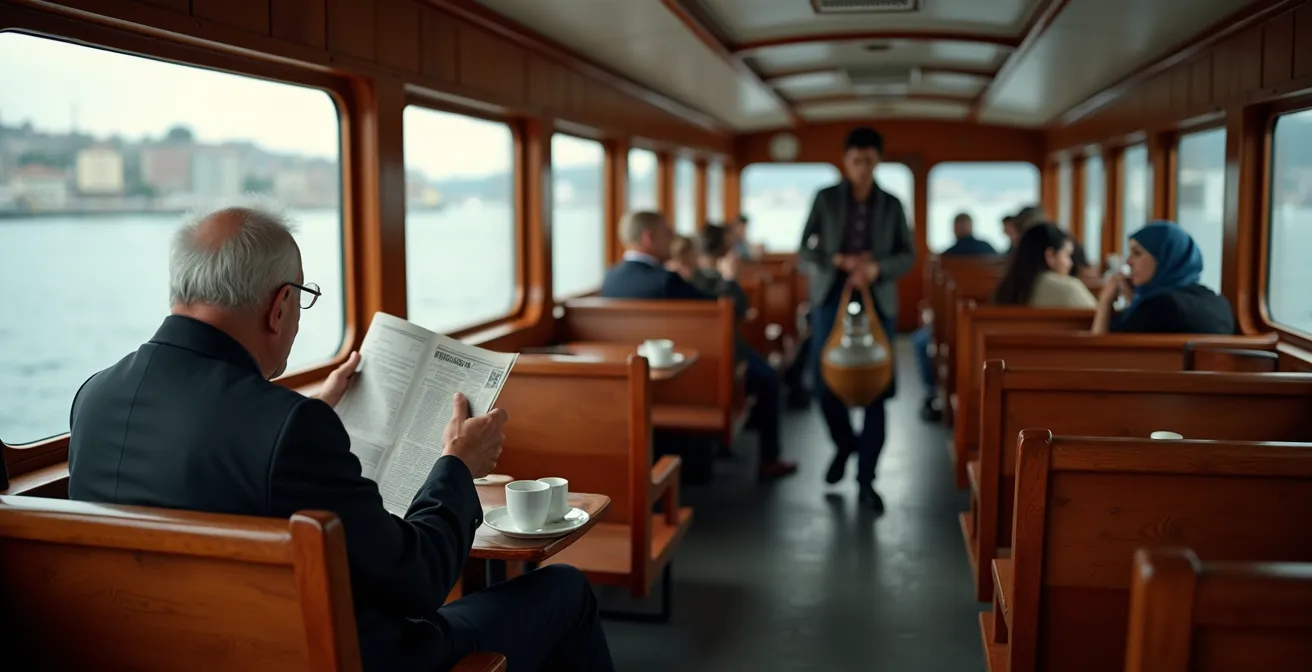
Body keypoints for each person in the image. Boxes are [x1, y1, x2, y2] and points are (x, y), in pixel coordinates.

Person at [66, 206, 614, 672]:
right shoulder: (285, 427)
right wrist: (456, 465)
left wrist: (311, 410)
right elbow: (418, 583)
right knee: (564, 590)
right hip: (331, 657)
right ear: (279, 306)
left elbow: (214, 455)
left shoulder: (94, 398)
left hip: (164, 651)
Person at [601, 211, 797, 480]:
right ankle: (769, 460)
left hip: (631, 381)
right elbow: (720, 311)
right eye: (666, 233)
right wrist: (729, 279)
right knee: (769, 379)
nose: (672, 238)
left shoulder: (610, 279)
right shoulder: (666, 281)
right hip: (690, 375)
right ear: (648, 238)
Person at [798, 126, 915, 511]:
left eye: (869, 161)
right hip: (830, 297)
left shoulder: (892, 204)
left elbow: (908, 255)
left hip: (877, 301)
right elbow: (805, 250)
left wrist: (876, 268)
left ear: (878, 161)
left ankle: (867, 480)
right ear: (845, 162)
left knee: (877, 391)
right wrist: (836, 260)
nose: (863, 168)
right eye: (856, 161)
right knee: (822, 383)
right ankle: (845, 444)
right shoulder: (826, 199)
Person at [913, 211, 997, 421]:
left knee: (920, 340)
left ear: (955, 229)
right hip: (989, 325)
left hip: (950, 328)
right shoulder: (992, 252)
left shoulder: (945, 258)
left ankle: (932, 392)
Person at [1092, 220, 1235, 335]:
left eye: (1137, 253)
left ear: (1163, 259)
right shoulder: (1217, 301)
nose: (1129, 261)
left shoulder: (1160, 306)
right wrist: (1134, 299)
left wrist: (1105, 301)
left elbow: (1103, 355)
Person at [992, 223, 1097, 308]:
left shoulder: (1004, 291)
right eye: (1067, 255)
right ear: (1050, 256)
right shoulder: (1069, 288)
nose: (1070, 263)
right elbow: (1098, 324)